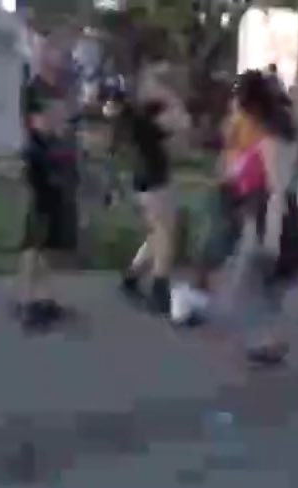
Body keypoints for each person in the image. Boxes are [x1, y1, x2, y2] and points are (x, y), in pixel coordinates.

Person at [178, 70, 298, 365]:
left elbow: (277, 190)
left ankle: (267, 339)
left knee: (252, 283)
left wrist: (271, 236)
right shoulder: (275, 136)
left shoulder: (272, 143)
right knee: (259, 285)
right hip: (262, 214)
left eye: (239, 102)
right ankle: (267, 340)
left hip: (269, 215)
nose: (235, 108)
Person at [15, 43, 80, 331]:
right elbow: (41, 125)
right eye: (57, 53)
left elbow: (66, 123)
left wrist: (62, 124)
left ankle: (44, 298)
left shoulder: (61, 88)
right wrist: (57, 122)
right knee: (35, 237)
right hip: (40, 164)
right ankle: (27, 302)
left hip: (60, 165)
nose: (62, 58)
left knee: (49, 240)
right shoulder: (34, 89)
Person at [118, 62, 191, 315]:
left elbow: (180, 134)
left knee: (159, 232)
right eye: (156, 84)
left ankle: (132, 276)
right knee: (164, 233)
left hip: (155, 175)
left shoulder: (147, 110)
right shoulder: (143, 114)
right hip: (151, 177)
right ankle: (159, 288)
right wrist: (173, 99)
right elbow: (181, 124)